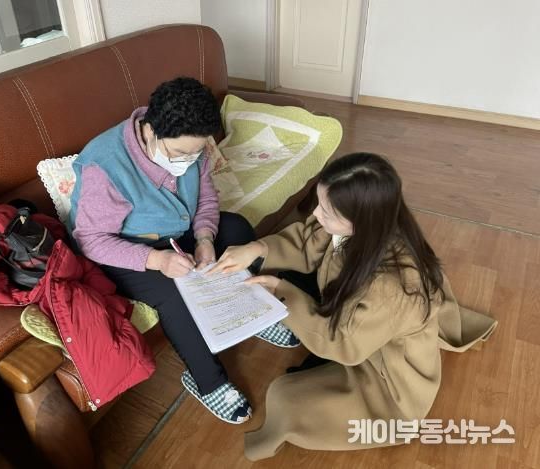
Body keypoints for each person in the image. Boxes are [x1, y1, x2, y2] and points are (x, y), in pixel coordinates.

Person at [209, 152, 498, 458]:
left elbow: (344, 345)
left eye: (327, 211)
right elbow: (307, 242)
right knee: (291, 280)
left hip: (387, 377)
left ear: (360, 220)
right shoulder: (359, 223)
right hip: (359, 326)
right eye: (320, 203)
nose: (316, 214)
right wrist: (257, 248)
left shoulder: (393, 287)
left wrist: (282, 294)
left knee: (285, 397)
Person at [67, 77, 299, 424]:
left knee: (237, 230)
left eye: (196, 152)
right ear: (151, 131)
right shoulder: (105, 165)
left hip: (179, 229)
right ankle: (208, 380)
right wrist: (156, 260)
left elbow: (206, 198)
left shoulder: (194, 145)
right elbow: (92, 240)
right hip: (124, 248)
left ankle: (249, 313)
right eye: (179, 154)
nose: (189, 160)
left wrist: (205, 238)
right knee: (172, 292)